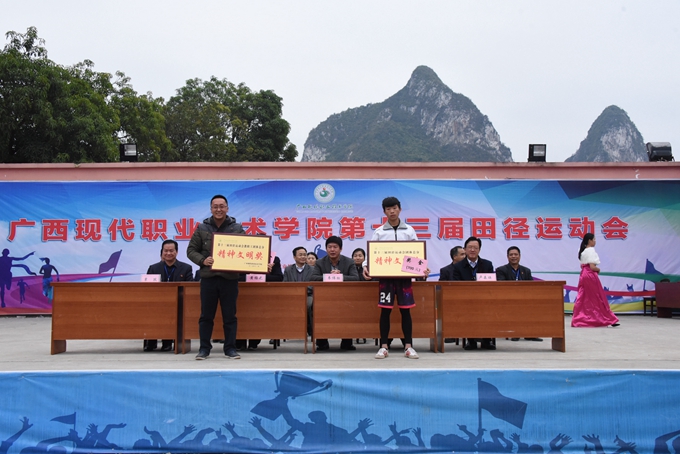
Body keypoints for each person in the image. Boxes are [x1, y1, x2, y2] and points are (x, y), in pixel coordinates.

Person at [365, 196, 428, 360]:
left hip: (404, 279)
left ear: (400, 209)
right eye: (388, 209)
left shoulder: (409, 230)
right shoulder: (379, 232)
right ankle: (383, 346)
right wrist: (366, 266)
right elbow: (372, 254)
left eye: (394, 208)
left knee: (406, 311)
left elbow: (417, 253)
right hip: (386, 279)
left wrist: (422, 268)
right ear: (384, 211)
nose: (392, 211)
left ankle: (408, 346)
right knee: (385, 311)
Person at [187, 194, 246, 360]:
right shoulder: (202, 228)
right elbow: (191, 250)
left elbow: (247, 251)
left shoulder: (236, 228)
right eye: (215, 206)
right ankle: (204, 349)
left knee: (230, 316)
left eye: (222, 206)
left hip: (229, 279)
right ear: (211, 209)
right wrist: (203, 260)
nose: (218, 209)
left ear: (227, 208)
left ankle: (230, 349)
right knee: (206, 316)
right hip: (209, 278)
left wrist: (262, 264)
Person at [144, 239, 194, 351]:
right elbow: (147, 288)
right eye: (165, 251)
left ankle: (167, 343)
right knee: (152, 310)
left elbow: (190, 288)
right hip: (158, 303)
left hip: (178, 303)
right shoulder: (154, 268)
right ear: (162, 252)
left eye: (171, 250)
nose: (168, 253)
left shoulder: (186, 268)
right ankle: (151, 341)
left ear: (176, 252)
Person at [310, 236, 359, 351]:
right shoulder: (320, 262)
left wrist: (339, 277)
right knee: (316, 308)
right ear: (326, 249)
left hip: (345, 297)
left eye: (335, 247)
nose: (332, 250)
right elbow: (313, 278)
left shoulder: (349, 262)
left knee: (349, 310)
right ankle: (322, 343)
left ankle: (347, 343)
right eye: (329, 247)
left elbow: (355, 278)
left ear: (340, 249)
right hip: (324, 298)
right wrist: (329, 276)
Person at [451, 236, 495, 350]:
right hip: (465, 300)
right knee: (467, 309)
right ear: (465, 249)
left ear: (479, 250)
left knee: (489, 309)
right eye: (470, 247)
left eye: (475, 248)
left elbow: (492, 284)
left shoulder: (487, 264)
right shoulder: (458, 266)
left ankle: (487, 340)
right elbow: (455, 285)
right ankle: (470, 340)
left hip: (484, 299)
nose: (472, 250)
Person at [571, 233, 620, 328]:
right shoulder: (591, 250)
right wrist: (598, 270)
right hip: (590, 275)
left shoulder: (583, 250)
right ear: (589, 240)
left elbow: (583, 265)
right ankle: (608, 319)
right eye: (594, 239)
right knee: (598, 297)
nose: (595, 241)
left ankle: (578, 318)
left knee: (583, 296)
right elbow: (592, 267)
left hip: (583, 274)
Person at [495, 246, 541, 342]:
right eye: (511, 255)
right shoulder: (501, 270)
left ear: (519, 256)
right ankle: (515, 332)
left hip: (524, 298)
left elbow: (531, 287)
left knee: (534, 305)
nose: (513, 256)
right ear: (507, 257)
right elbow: (501, 285)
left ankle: (530, 333)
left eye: (516, 254)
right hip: (508, 299)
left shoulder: (526, 270)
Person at [439, 245, 465, 343]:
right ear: (454, 257)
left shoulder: (468, 268)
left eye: (465, 254)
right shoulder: (445, 270)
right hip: (450, 299)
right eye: (462, 254)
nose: (464, 257)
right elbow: (441, 286)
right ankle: (450, 333)